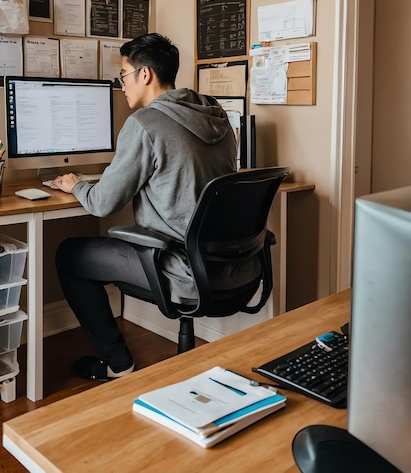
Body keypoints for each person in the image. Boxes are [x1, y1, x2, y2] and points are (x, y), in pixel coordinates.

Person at [51, 32, 258, 382]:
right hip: (235, 269)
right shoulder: (217, 115)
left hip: (181, 269)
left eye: (123, 76)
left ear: (144, 75)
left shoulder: (145, 124)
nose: (122, 86)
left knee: (68, 255)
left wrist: (76, 184)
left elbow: (103, 203)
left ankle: (118, 365)